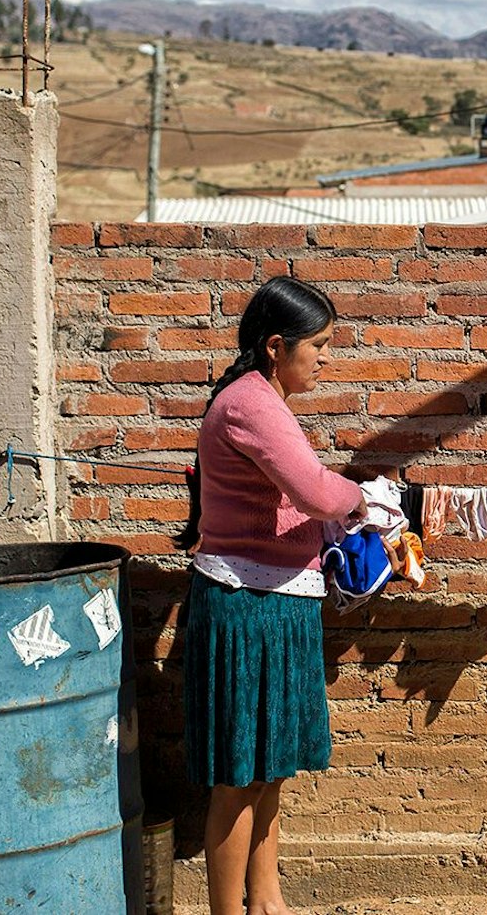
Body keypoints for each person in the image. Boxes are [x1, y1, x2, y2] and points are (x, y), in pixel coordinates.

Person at [178, 275, 363, 915]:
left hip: (275, 602)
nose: (327, 358)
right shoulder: (250, 405)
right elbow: (314, 492)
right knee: (238, 777)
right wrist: (362, 497)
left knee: (270, 766)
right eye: (321, 345)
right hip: (246, 608)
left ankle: (268, 902)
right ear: (277, 347)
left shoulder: (262, 400)